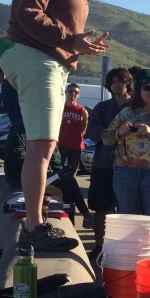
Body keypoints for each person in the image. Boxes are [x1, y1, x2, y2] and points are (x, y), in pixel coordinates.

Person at [0, 0, 109, 251]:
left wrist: (76, 45)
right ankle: (34, 226)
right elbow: (27, 11)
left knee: (43, 146)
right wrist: (68, 39)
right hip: (38, 59)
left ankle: (36, 219)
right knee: (42, 147)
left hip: (52, 62)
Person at [101, 69, 150, 245]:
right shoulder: (126, 113)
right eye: (148, 88)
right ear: (139, 90)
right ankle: (130, 263)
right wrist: (118, 132)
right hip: (125, 173)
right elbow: (106, 138)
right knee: (128, 221)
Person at [85, 67, 132, 258]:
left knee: (126, 210)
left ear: (128, 83)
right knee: (100, 208)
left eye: (120, 81)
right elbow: (91, 132)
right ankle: (98, 245)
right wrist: (111, 135)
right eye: (113, 82)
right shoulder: (102, 108)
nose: (117, 85)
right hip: (103, 164)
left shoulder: (136, 109)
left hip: (129, 166)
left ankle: (122, 249)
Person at [57, 82, 92, 225]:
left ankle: (76, 207)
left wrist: (77, 138)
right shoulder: (60, 108)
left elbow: (84, 129)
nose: (73, 94)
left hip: (75, 147)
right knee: (59, 174)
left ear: (79, 95)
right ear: (66, 92)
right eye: (70, 91)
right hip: (61, 145)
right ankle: (78, 208)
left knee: (71, 176)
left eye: (75, 92)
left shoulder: (82, 111)